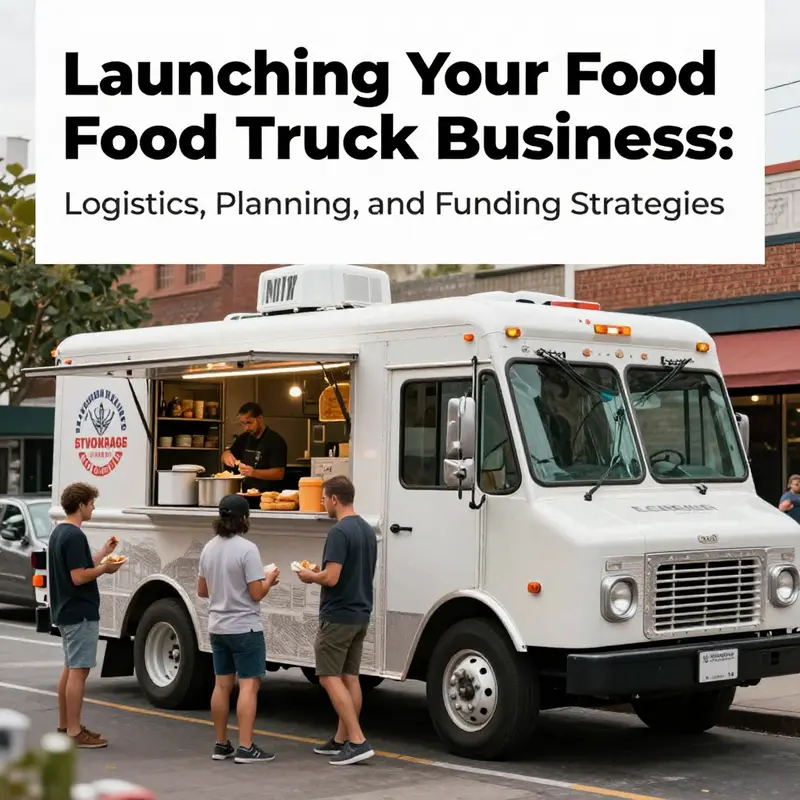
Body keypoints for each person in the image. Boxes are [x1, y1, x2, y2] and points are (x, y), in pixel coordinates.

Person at [296, 475, 378, 766]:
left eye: (323, 499)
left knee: (328, 676)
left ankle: (357, 740)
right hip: (360, 612)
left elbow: (332, 578)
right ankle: (341, 739)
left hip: (338, 614)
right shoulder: (366, 529)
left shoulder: (339, 532)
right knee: (350, 677)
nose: (322, 504)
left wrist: (310, 576)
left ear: (334, 499)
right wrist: (319, 571)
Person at [197, 494, 280, 764]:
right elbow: (256, 593)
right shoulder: (247, 549)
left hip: (218, 626)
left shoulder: (209, 548)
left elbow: (202, 590)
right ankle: (246, 747)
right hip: (245, 627)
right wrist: (269, 580)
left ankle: (221, 744)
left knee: (222, 685)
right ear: (244, 518)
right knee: (248, 686)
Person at [49, 482, 124, 748]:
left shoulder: (59, 532)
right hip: (80, 611)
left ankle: (65, 726)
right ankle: (74, 731)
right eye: (91, 503)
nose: (93, 508)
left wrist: (103, 554)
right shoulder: (75, 536)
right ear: (80, 505)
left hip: (65, 609)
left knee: (70, 669)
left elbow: (78, 566)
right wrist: (105, 569)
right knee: (78, 672)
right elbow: (79, 577)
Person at [221, 402, 288, 493]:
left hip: (266, 495)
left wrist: (253, 472)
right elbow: (228, 454)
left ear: (260, 419)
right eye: (243, 423)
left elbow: (279, 473)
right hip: (244, 493)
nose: (246, 427)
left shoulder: (275, 441)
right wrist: (226, 454)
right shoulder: (244, 438)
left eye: (249, 422)